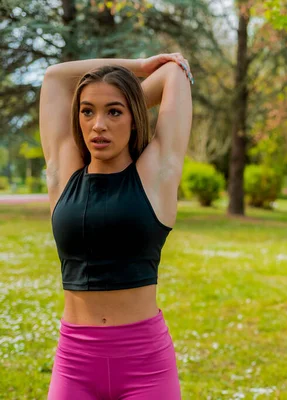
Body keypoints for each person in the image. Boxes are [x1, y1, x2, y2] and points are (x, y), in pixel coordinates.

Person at [40, 53, 193, 399]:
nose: (98, 126)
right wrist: (137, 68)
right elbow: (54, 78)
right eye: (87, 111)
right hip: (74, 364)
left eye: (114, 112)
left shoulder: (156, 175)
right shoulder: (63, 174)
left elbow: (173, 72)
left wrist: (128, 93)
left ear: (134, 118)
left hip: (145, 364)